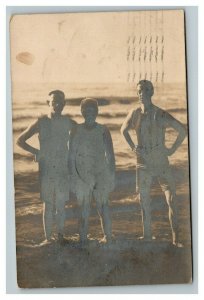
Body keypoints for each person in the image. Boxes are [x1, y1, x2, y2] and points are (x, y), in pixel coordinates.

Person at [121, 80, 187, 247]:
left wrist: (171, 150)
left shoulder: (160, 114)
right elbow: (123, 130)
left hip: (160, 162)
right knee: (144, 200)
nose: (141, 94)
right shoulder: (134, 113)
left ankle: (176, 239)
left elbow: (182, 130)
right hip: (142, 162)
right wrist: (133, 147)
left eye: (144, 91)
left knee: (171, 199)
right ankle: (147, 236)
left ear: (151, 92)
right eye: (139, 91)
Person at [17, 90, 76, 245]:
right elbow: (20, 140)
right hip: (47, 168)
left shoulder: (67, 122)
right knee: (48, 203)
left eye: (61, 102)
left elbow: (83, 133)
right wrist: (37, 152)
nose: (57, 104)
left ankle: (61, 236)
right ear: (48, 103)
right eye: (54, 101)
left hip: (63, 167)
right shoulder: (41, 122)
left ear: (64, 104)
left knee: (61, 204)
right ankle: (48, 239)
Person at [69, 98, 115, 246]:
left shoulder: (103, 130)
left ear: (97, 112)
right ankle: (83, 238)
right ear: (82, 112)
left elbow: (110, 155)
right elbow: (71, 155)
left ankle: (108, 236)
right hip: (82, 175)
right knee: (84, 208)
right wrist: (73, 176)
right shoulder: (76, 130)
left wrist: (111, 176)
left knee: (103, 206)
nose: (89, 114)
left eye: (92, 111)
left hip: (100, 174)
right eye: (86, 111)